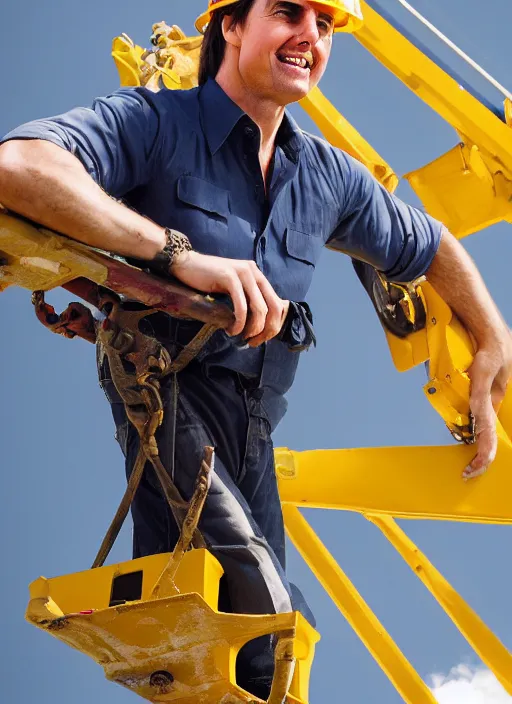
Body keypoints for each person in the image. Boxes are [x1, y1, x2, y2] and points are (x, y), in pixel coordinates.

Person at [0, 0, 510, 697]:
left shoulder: (329, 178)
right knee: (259, 620)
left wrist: (492, 335)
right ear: (231, 27)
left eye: (324, 25)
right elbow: (19, 167)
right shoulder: (154, 123)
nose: (310, 35)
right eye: (287, 12)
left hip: (256, 428)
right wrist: (175, 253)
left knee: (266, 654)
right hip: (164, 388)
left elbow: (432, 246)